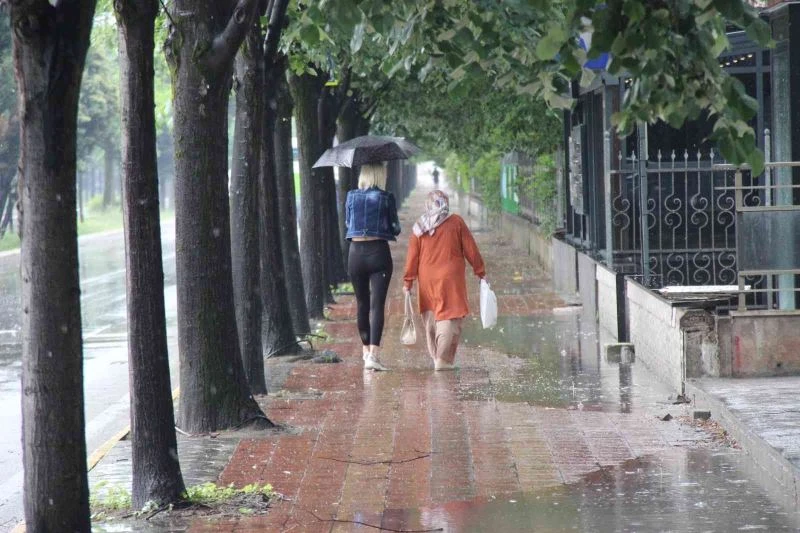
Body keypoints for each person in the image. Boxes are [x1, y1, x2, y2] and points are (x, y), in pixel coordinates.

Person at [403, 190, 486, 370]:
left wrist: (408, 282)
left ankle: (436, 357)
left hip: (427, 279)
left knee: (431, 318)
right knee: (449, 317)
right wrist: (480, 271)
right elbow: (471, 249)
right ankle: (442, 359)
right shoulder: (456, 222)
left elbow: (412, 257)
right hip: (451, 278)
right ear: (445, 204)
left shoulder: (419, 227)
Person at [345, 162, 401, 371]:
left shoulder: (351, 196)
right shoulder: (386, 198)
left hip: (355, 254)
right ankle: (374, 356)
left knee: (361, 304)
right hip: (379, 253)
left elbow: (348, 224)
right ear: (380, 175)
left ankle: (365, 350)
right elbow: (395, 228)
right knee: (377, 305)